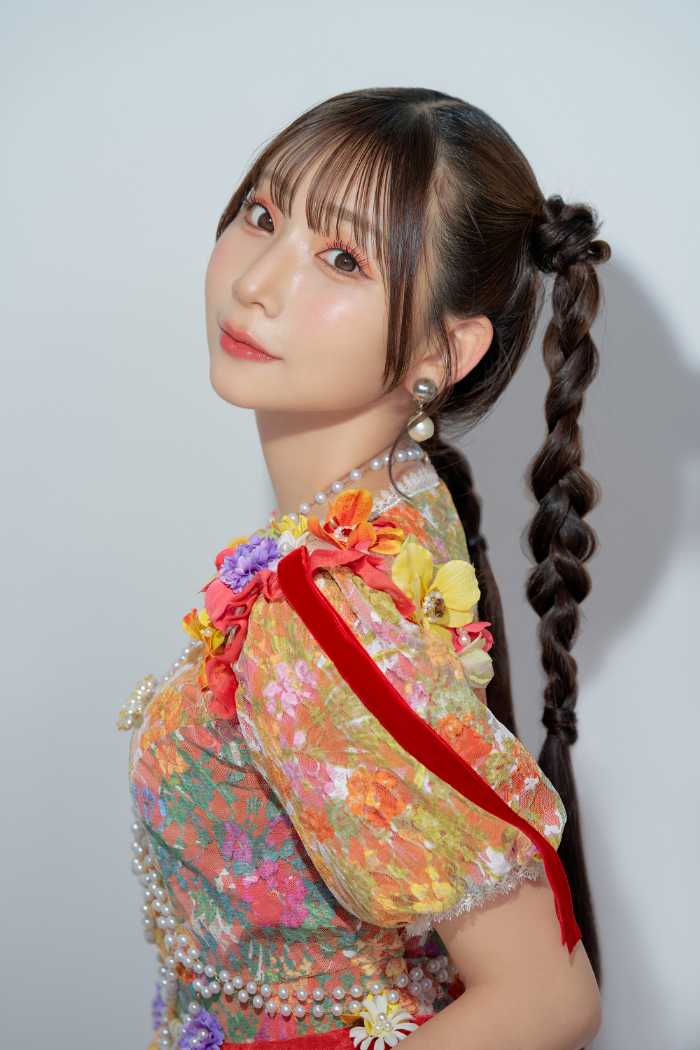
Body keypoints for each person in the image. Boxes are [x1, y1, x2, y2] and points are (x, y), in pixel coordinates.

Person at [117, 87, 610, 1050]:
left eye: (342, 258)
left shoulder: (323, 602)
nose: (258, 282)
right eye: (263, 215)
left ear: (443, 349)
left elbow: (547, 1000)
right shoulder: (394, 503)